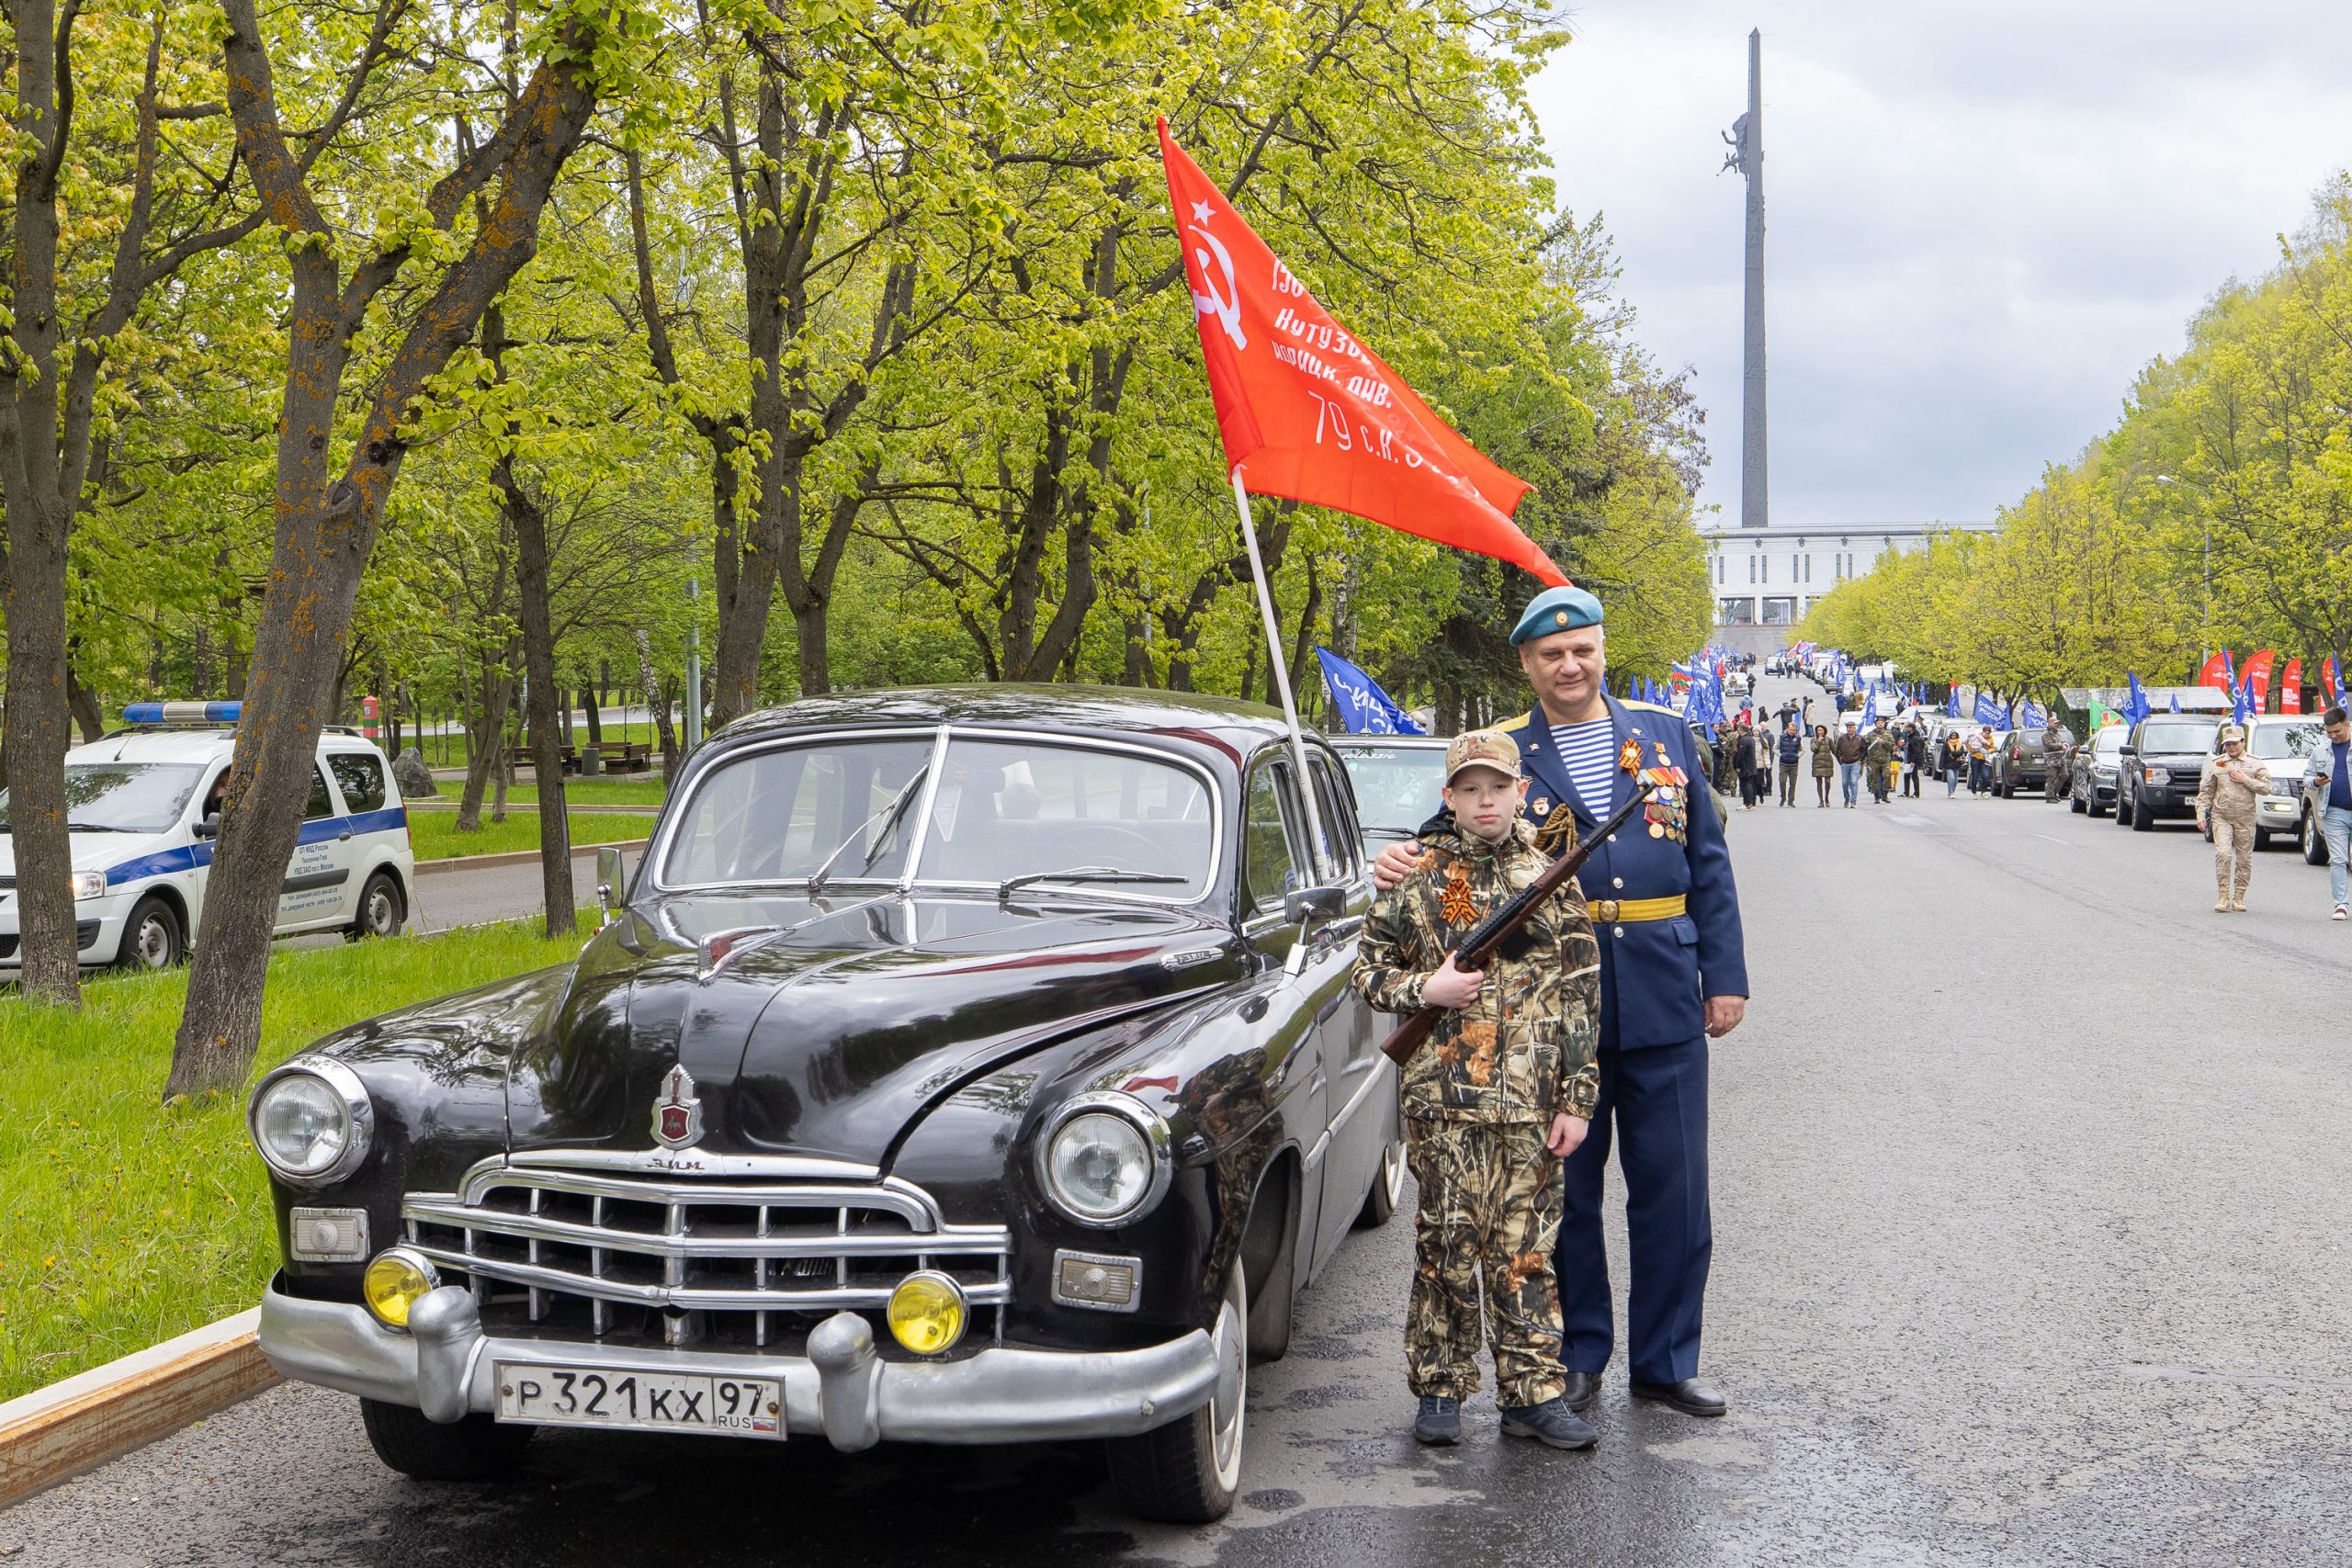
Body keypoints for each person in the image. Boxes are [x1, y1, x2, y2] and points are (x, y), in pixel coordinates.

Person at [1369, 584, 1747, 1421]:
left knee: (1675, 1191)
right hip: (1545, 1021)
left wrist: (1724, 977)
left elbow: (1709, 864)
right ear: (1527, 665)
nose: (1570, 665)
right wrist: (1400, 856)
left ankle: (1665, 1360)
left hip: (1663, 992)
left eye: (1583, 649)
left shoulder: (1666, 735)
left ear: (1602, 650)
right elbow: (1449, 837)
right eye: (1552, 654)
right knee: (1563, 1196)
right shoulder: (1502, 749)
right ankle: (1574, 1359)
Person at [1351, 729, 1602, 1451]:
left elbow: (1582, 996)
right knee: (1445, 1244)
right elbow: (1366, 972)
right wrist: (1422, 987)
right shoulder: (1417, 876)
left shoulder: (1553, 875)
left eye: (1498, 787)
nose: (1485, 801)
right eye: (1470, 789)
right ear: (1449, 797)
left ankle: (1533, 1394)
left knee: (1526, 1251)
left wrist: (1576, 1099)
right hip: (1444, 1103)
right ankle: (1439, 1386)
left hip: (1532, 1102)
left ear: (1521, 791)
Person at [2197, 723, 2272, 913]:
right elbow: (2206, 791)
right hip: (2222, 815)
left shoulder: (2255, 763)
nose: (2231, 747)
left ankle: (2239, 896)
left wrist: (2246, 780)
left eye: (2235, 743)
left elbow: (2267, 788)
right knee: (2223, 853)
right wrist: (2200, 813)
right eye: (2228, 744)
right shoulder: (2218, 764)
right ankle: (2223, 896)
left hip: (2245, 817)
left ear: (2243, 742)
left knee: (2244, 858)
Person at [2309, 707, 2352, 919]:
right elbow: (2307, 777)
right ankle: (2341, 905)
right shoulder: (2320, 751)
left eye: (2337, 731)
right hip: (2334, 811)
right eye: (2329, 733)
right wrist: (2316, 782)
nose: (2334, 736)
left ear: (2347, 724)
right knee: (2338, 860)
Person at [1833, 721, 1865, 807]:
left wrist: (1860, 760)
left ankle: (1853, 801)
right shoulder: (1842, 738)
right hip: (1845, 764)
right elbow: (1837, 751)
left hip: (1855, 763)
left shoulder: (1860, 738)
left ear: (1854, 728)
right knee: (1844, 783)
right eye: (1847, 728)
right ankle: (1847, 798)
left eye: (1850, 728)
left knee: (1854, 781)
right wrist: (1841, 761)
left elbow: (1864, 751)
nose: (1849, 729)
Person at [1863, 724, 1894, 804]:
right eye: (1878, 722)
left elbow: (1892, 746)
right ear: (1876, 724)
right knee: (1874, 778)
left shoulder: (1888, 734)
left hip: (1885, 760)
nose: (1880, 724)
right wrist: (1865, 760)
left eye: (1881, 722)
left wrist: (1884, 742)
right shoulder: (1870, 735)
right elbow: (1864, 747)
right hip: (1873, 760)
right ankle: (1876, 796)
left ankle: (1885, 795)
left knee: (1887, 775)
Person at [1809, 722, 1835, 807]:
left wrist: (1841, 759)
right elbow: (1813, 749)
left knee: (1827, 781)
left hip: (1827, 763)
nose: (1820, 732)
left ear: (1824, 731)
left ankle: (1827, 797)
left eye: (1821, 730)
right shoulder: (1813, 740)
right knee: (1819, 782)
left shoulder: (1829, 739)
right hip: (1817, 763)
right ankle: (1821, 800)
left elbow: (1834, 750)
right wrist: (1819, 741)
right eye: (1818, 730)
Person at [1776, 720, 1801, 807]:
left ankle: (1791, 801)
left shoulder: (1798, 738)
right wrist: (1780, 755)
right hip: (1783, 763)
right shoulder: (1781, 737)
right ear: (1787, 729)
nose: (1792, 731)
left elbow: (1802, 749)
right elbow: (1775, 748)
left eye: (1794, 730)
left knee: (1793, 783)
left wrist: (1798, 756)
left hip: (1794, 764)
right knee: (1782, 781)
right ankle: (1783, 797)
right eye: (1791, 730)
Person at [1967, 726, 1996, 795]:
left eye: (1988, 733)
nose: (1987, 734)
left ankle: (1983, 792)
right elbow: (1968, 743)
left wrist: (1990, 751)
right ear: (1982, 732)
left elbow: (1992, 747)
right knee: (1975, 776)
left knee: (1986, 776)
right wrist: (1972, 750)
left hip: (1984, 759)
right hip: (1975, 757)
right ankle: (1974, 792)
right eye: (1986, 733)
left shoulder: (1990, 738)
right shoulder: (1976, 736)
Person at [1902, 724, 1926, 797]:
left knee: (1914, 776)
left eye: (1907, 727)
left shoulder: (1915, 738)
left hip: (1913, 761)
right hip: (1910, 760)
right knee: (1906, 775)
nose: (1906, 729)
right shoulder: (1912, 737)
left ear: (1911, 728)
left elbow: (1917, 751)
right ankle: (1906, 792)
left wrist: (1913, 761)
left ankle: (1916, 793)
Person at [1942, 729, 1967, 798]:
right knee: (1951, 778)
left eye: (1955, 735)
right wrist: (1942, 765)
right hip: (1948, 763)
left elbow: (1961, 752)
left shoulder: (1960, 743)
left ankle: (1952, 791)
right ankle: (1950, 793)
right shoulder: (1947, 743)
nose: (1954, 736)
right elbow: (1943, 754)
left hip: (1957, 763)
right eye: (1952, 735)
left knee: (1955, 781)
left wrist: (1954, 754)